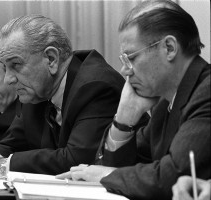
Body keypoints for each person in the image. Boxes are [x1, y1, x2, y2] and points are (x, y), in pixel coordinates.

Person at [0, 14, 140, 177]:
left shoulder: (95, 86)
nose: (8, 79)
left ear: (51, 59)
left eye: (15, 65)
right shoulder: (36, 91)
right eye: (5, 67)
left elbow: (78, 160)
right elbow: (13, 143)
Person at [57, 1, 210, 200]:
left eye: (131, 57)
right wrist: (124, 119)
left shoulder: (206, 92)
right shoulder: (165, 104)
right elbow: (125, 169)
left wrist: (107, 175)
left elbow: (172, 176)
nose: (125, 70)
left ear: (169, 48)